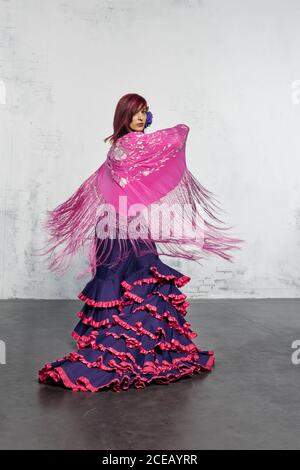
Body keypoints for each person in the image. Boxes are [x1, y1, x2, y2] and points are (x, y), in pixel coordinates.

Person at [37, 93, 244, 392]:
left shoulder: (117, 148)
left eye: (144, 112)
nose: (140, 117)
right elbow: (172, 140)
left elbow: (126, 183)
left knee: (124, 278)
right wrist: (182, 129)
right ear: (124, 115)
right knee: (139, 278)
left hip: (118, 224)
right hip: (122, 227)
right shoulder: (131, 145)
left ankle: (116, 334)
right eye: (135, 112)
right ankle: (127, 340)